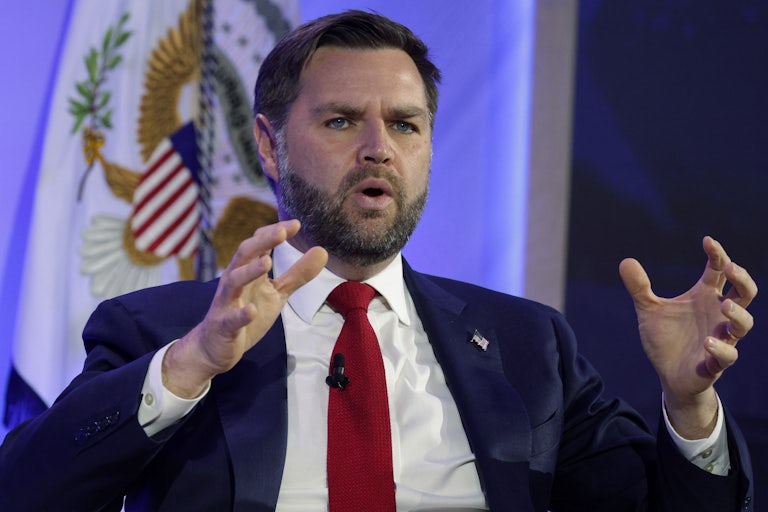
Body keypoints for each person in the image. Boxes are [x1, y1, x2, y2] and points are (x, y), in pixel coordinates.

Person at [0, 10, 757, 512]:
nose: (377, 148)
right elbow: (29, 489)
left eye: (404, 124)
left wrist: (689, 409)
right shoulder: (163, 331)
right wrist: (192, 364)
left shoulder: (530, 347)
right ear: (268, 143)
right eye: (340, 120)